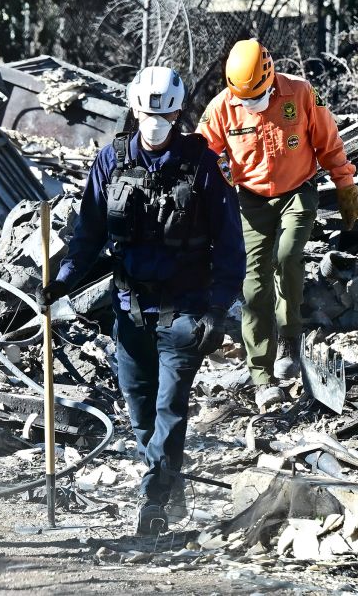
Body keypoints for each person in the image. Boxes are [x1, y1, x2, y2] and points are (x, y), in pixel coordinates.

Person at [41, 66, 243, 535]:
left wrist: (217, 309)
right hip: (130, 312)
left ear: (179, 113)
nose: (157, 121)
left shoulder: (203, 166)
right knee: (141, 413)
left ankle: (152, 503)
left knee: (170, 410)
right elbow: (88, 234)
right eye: (149, 112)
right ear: (134, 109)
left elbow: (230, 247)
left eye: (167, 113)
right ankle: (170, 487)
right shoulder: (111, 161)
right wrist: (61, 283)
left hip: (186, 313)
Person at [197, 39, 358, 410]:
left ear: (270, 78)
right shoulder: (222, 108)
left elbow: (328, 143)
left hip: (297, 192)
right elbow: (201, 156)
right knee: (253, 287)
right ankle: (261, 376)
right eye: (244, 99)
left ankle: (290, 338)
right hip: (250, 201)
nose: (250, 105)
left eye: (256, 98)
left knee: (287, 257)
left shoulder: (300, 94)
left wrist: (345, 185)